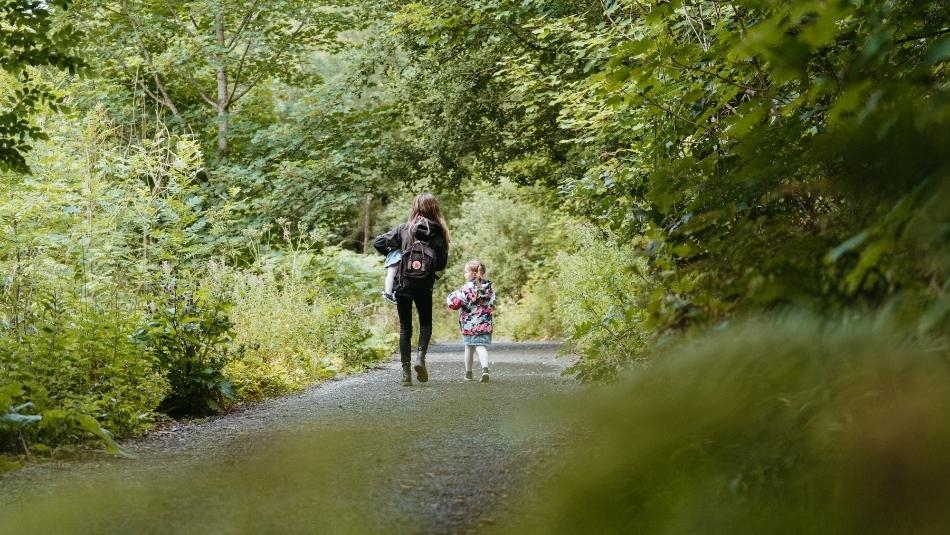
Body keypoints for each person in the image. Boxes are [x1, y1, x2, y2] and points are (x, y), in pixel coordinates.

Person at [373, 193, 450, 386]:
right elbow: (440, 264)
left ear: (415, 207)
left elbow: (378, 243)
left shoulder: (403, 229)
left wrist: (395, 254)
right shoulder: (440, 233)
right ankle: (420, 358)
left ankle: (406, 375)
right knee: (425, 324)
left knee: (405, 327)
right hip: (424, 285)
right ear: (434, 209)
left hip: (403, 284)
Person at [446, 260, 495, 383]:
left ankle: (468, 374)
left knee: (469, 347)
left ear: (473, 273)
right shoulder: (489, 287)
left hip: (469, 324)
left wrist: (452, 297)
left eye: (466, 272)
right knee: (481, 346)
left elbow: (457, 301)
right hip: (484, 323)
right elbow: (492, 301)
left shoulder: (467, 288)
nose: (464, 274)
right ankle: (485, 370)